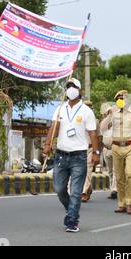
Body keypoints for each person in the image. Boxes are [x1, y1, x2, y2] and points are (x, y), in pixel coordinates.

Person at [43, 78, 99, 233]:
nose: (70, 89)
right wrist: (47, 144)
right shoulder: (60, 108)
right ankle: (71, 209)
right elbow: (54, 127)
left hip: (79, 156)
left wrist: (96, 152)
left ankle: (72, 221)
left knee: (75, 191)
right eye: (68, 86)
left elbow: (93, 133)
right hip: (61, 155)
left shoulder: (86, 111)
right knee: (59, 189)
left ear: (79, 90)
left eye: (73, 86)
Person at [100, 90, 131, 215]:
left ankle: (129, 203)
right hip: (116, 147)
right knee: (119, 177)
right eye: (119, 98)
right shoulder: (112, 114)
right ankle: (121, 204)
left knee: (130, 174)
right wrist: (109, 115)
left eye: (123, 97)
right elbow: (102, 129)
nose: (121, 99)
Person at [81, 100, 100, 203]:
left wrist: (97, 152)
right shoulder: (78, 119)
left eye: (89, 107)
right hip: (79, 149)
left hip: (90, 148)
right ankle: (89, 188)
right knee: (80, 171)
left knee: (88, 170)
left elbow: (98, 137)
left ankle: (83, 192)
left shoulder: (95, 121)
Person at [100, 105, 118, 200]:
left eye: (109, 112)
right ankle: (113, 187)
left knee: (115, 170)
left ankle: (114, 190)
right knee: (110, 171)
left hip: (115, 148)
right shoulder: (104, 124)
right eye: (106, 113)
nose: (107, 114)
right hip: (106, 149)